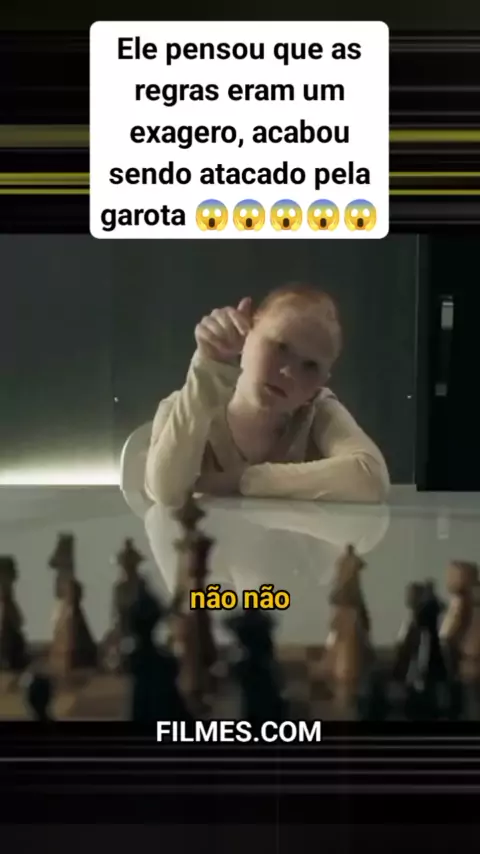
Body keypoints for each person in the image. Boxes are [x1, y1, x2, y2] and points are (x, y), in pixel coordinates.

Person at [144, 283, 390, 508]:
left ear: (320, 383)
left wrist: (243, 480)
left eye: (310, 366)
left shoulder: (317, 411)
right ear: (248, 332)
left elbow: (371, 478)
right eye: (280, 347)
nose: (288, 372)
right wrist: (207, 365)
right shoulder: (188, 403)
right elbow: (168, 492)